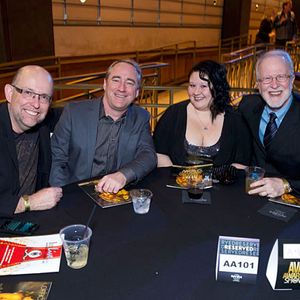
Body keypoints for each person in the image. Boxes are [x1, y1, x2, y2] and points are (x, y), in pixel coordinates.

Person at [50, 59, 157, 193]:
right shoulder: (73, 112)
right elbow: (57, 158)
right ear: (105, 84)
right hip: (77, 195)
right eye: (116, 80)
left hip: (116, 196)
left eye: (129, 83)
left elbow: (148, 155)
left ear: (136, 92)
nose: (122, 88)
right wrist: (62, 194)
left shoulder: (141, 117)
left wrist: (123, 175)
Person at [153, 60, 251, 168]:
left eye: (203, 86)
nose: (196, 92)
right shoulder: (173, 114)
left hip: (222, 184)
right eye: (192, 85)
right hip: (176, 183)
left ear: (217, 88)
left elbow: (241, 162)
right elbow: (160, 153)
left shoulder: (235, 119)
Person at [0, 65, 63, 215]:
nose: (36, 104)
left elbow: (79, 113)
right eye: (28, 93)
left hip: (31, 222)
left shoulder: (44, 121)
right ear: (9, 93)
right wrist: (29, 203)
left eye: (44, 97)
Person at [239, 49, 300, 198]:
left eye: (281, 77)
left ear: (292, 80)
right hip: (253, 196)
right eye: (266, 78)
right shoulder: (247, 106)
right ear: (257, 85)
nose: (274, 85)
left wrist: (286, 184)